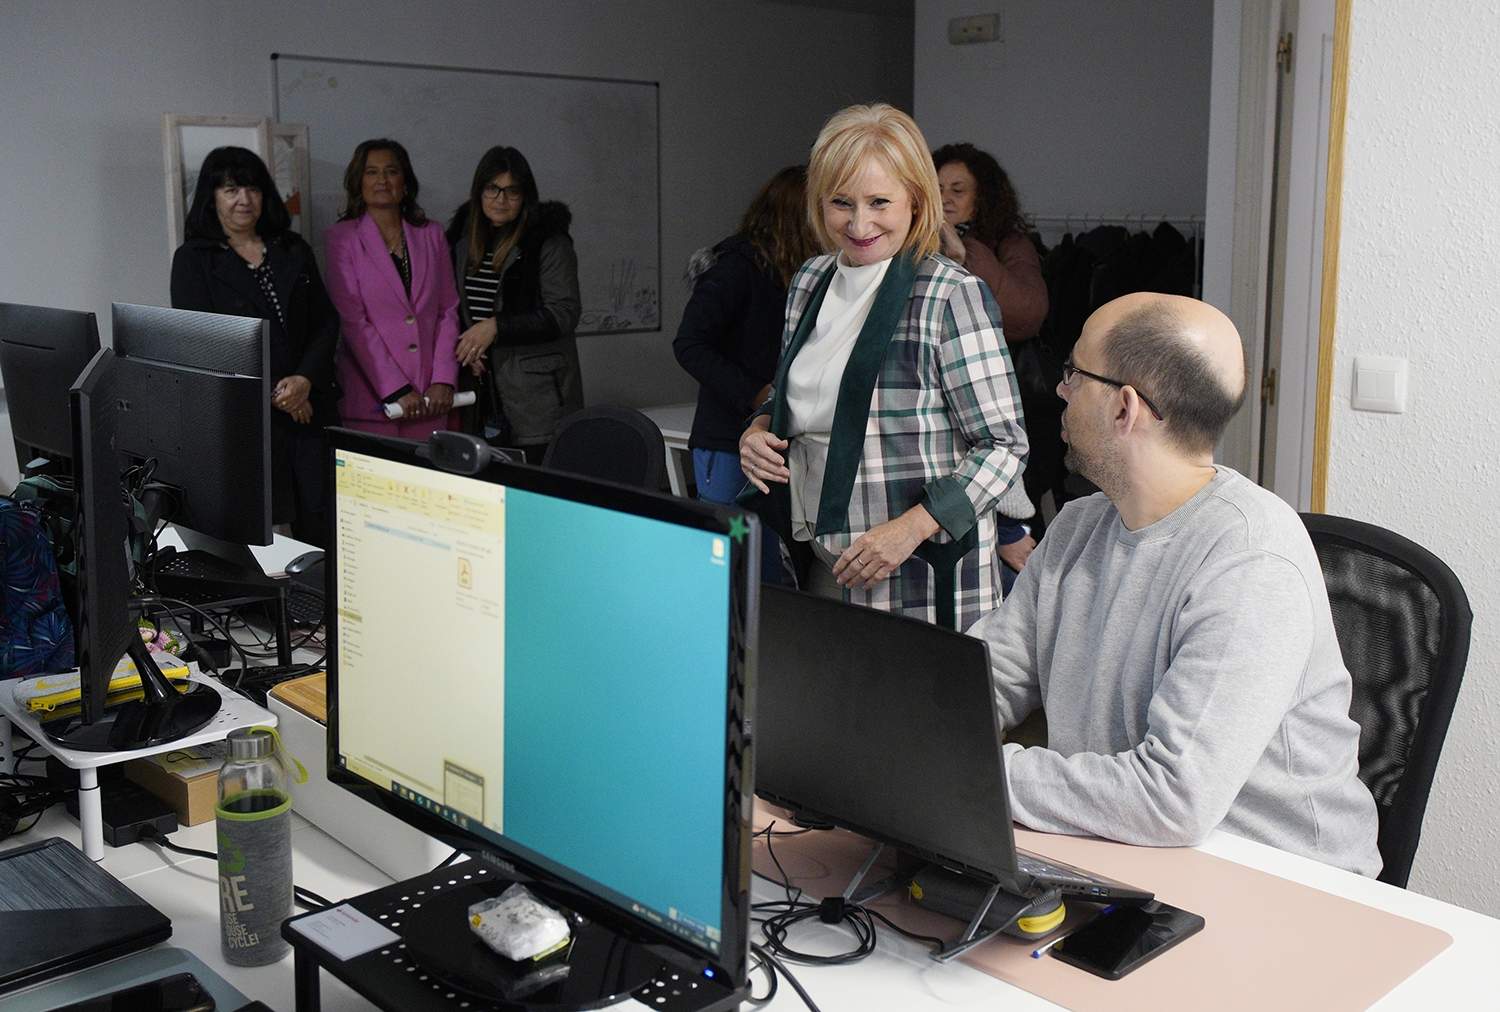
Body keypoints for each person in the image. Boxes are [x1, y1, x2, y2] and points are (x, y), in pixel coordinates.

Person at [972, 291, 1381, 876]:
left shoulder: (1249, 557)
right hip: (1124, 853)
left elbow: (1172, 796)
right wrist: (902, 731)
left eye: (1074, 374)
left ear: (1125, 408)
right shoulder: (1078, 526)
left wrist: (972, 772)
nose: (1059, 391)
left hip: (1278, 885)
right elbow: (993, 674)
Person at [739, 104, 1032, 631]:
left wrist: (910, 528)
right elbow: (796, 395)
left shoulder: (949, 294)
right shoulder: (810, 281)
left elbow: (1005, 448)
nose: (859, 223)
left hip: (918, 569)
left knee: (918, 712)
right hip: (822, 555)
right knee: (826, 706)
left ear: (916, 201)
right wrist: (759, 430)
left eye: (879, 202)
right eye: (841, 203)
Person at [170, 146, 337, 546]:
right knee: (262, 540)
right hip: (248, 421)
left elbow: (325, 321)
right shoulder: (194, 260)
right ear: (212, 198)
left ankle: (319, 608)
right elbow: (205, 343)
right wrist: (280, 392)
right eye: (230, 190)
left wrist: (305, 380)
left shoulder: (292, 248)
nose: (244, 200)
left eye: (253, 189)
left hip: (309, 410)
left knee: (322, 528)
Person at [674, 165, 819, 580]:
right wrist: (757, 393)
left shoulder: (805, 271)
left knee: (773, 566)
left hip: (781, 442)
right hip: (725, 441)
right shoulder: (735, 267)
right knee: (736, 565)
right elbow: (689, 345)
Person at [934, 142, 1059, 544]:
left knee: (1016, 529)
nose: (945, 199)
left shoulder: (1009, 245)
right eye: (937, 188)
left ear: (982, 197)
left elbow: (1026, 313)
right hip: (943, 408)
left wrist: (965, 253)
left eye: (958, 190)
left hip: (1008, 403)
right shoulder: (910, 243)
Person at [446, 146, 582, 462]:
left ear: (525, 195)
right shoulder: (460, 241)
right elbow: (452, 307)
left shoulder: (547, 242)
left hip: (538, 397)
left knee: (537, 490)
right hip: (480, 391)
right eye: (493, 189)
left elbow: (564, 313)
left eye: (512, 191)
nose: (501, 200)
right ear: (479, 192)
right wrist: (466, 346)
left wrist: (495, 328)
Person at [324, 138, 461, 439]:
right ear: (358, 182)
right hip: (372, 402)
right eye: (371, 172)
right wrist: (396, 388)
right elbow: (353, 322)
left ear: (405, 181)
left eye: (391, 171)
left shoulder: (432, 234)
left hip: (430, 399)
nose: (382, 180)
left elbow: (447, 310)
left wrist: (443, 379)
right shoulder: (341, 239)